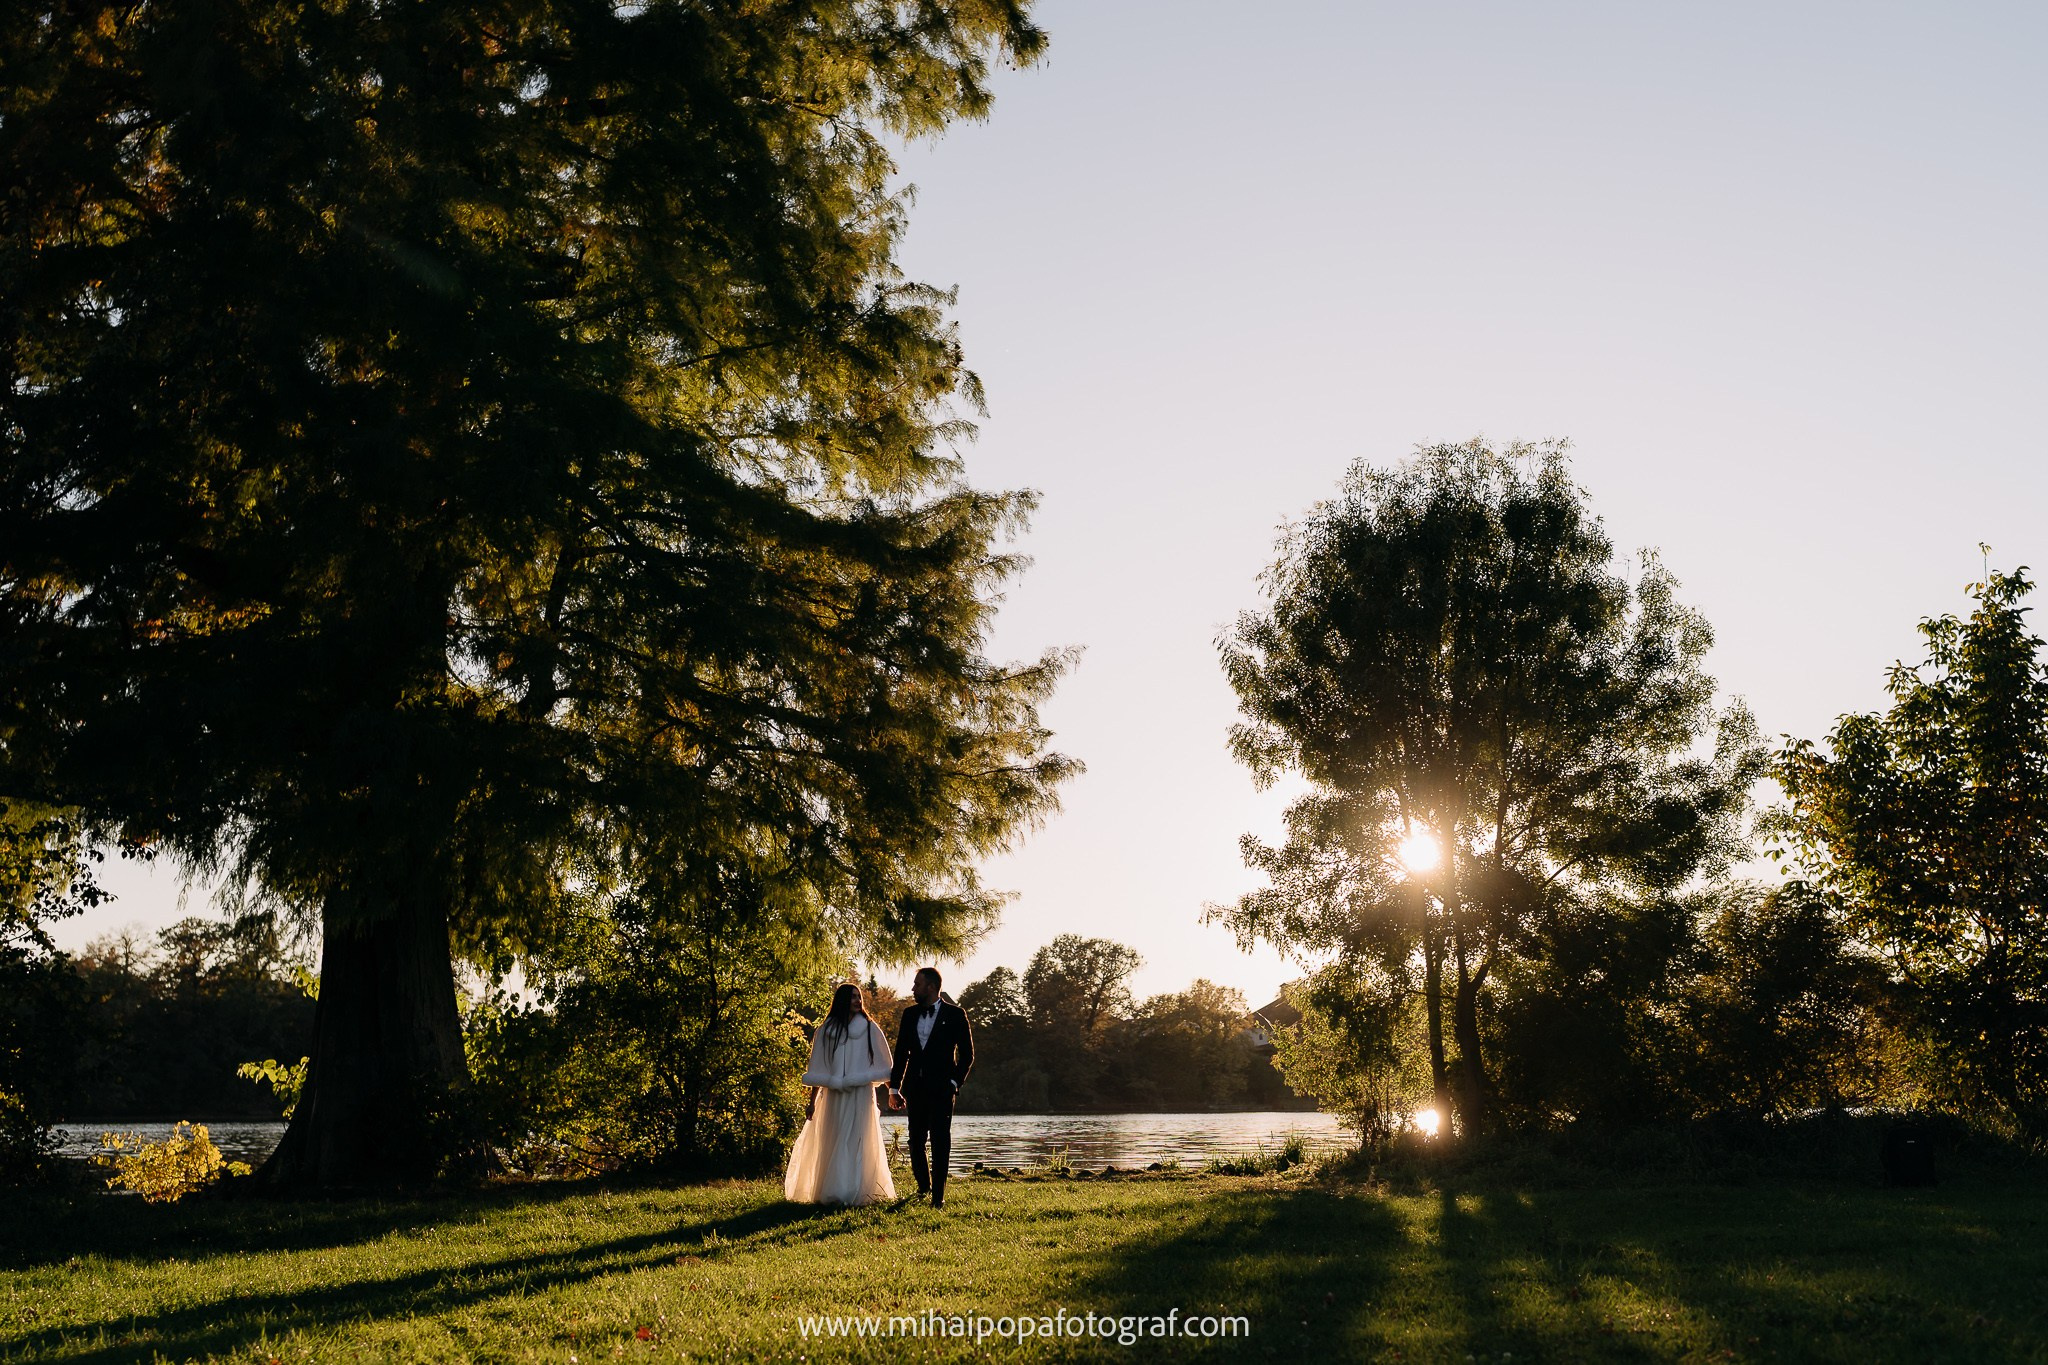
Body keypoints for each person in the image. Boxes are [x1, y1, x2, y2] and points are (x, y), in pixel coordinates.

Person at [784, 982, 896, 1206]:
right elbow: (818, 1069)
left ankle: (857, 1190)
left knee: (857, 1139)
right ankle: (833, 1190)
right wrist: (812, 1102)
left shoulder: (869, 1028)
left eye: (859, 996)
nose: (857, 1000)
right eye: (853, 997)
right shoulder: (827, 1029)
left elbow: (884, 1063)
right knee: (834, 1139)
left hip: (860, 1093)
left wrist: (892, 1091)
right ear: (843, 1000)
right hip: (834, 1095)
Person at [888, 966, 974, 1208]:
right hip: (915, 1088)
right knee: (915, 1141)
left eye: (917, 984)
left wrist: (954, 1082)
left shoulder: (956, 1015)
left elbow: (967, 1055)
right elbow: (901, 1053)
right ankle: (923, 1186)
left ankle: (938, 1197)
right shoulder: (909, 1014)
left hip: (942, 1090)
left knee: (940, 1142)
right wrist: (895, 1088)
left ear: (932, 987)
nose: (913, 988)